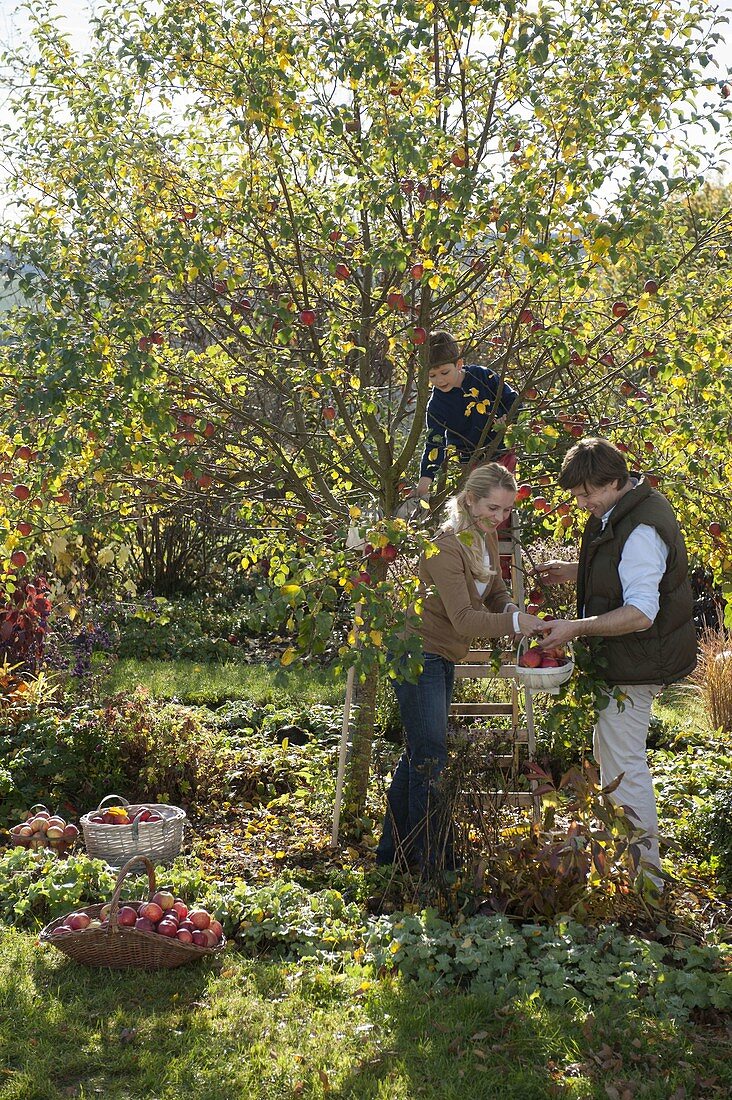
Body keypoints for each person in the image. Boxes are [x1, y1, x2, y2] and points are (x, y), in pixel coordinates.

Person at [535, 438, 697, 882]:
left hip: (637, 662)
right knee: (610, 757)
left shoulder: (642, 530)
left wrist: (576, 627)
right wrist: (577, 570)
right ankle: (619, 863)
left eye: (587, 493)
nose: (581, 502)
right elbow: (620, 568)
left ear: (615, 481)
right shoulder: (622, 511)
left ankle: (647, 878)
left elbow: (641, 613)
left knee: (624, 766)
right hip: (625, 660)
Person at [376, 463, 545, 872]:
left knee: (421, 752)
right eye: (493, 507)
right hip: (417, 655)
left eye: (505, 510)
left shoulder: (484, 539)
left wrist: (509, 609)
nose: (499, 518)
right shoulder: (445, 547)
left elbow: (497, 591)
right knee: (431, 757)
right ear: (469, 500)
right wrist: (517, 623)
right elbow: (466, 619)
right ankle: (434, 864)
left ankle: (391, 858)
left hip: (442, 655)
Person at [413, 330, 521, 502]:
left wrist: (507, 418)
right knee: (479, 506)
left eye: (444, 372)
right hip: (470, 462)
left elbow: (513, 400)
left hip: (502, 451)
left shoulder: (483, 376)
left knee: (501, 500)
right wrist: (425, 479)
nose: (439, 380)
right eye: (432, 375)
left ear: (458, 364)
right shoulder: (436, 405)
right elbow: (435, 443)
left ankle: (507, 525)